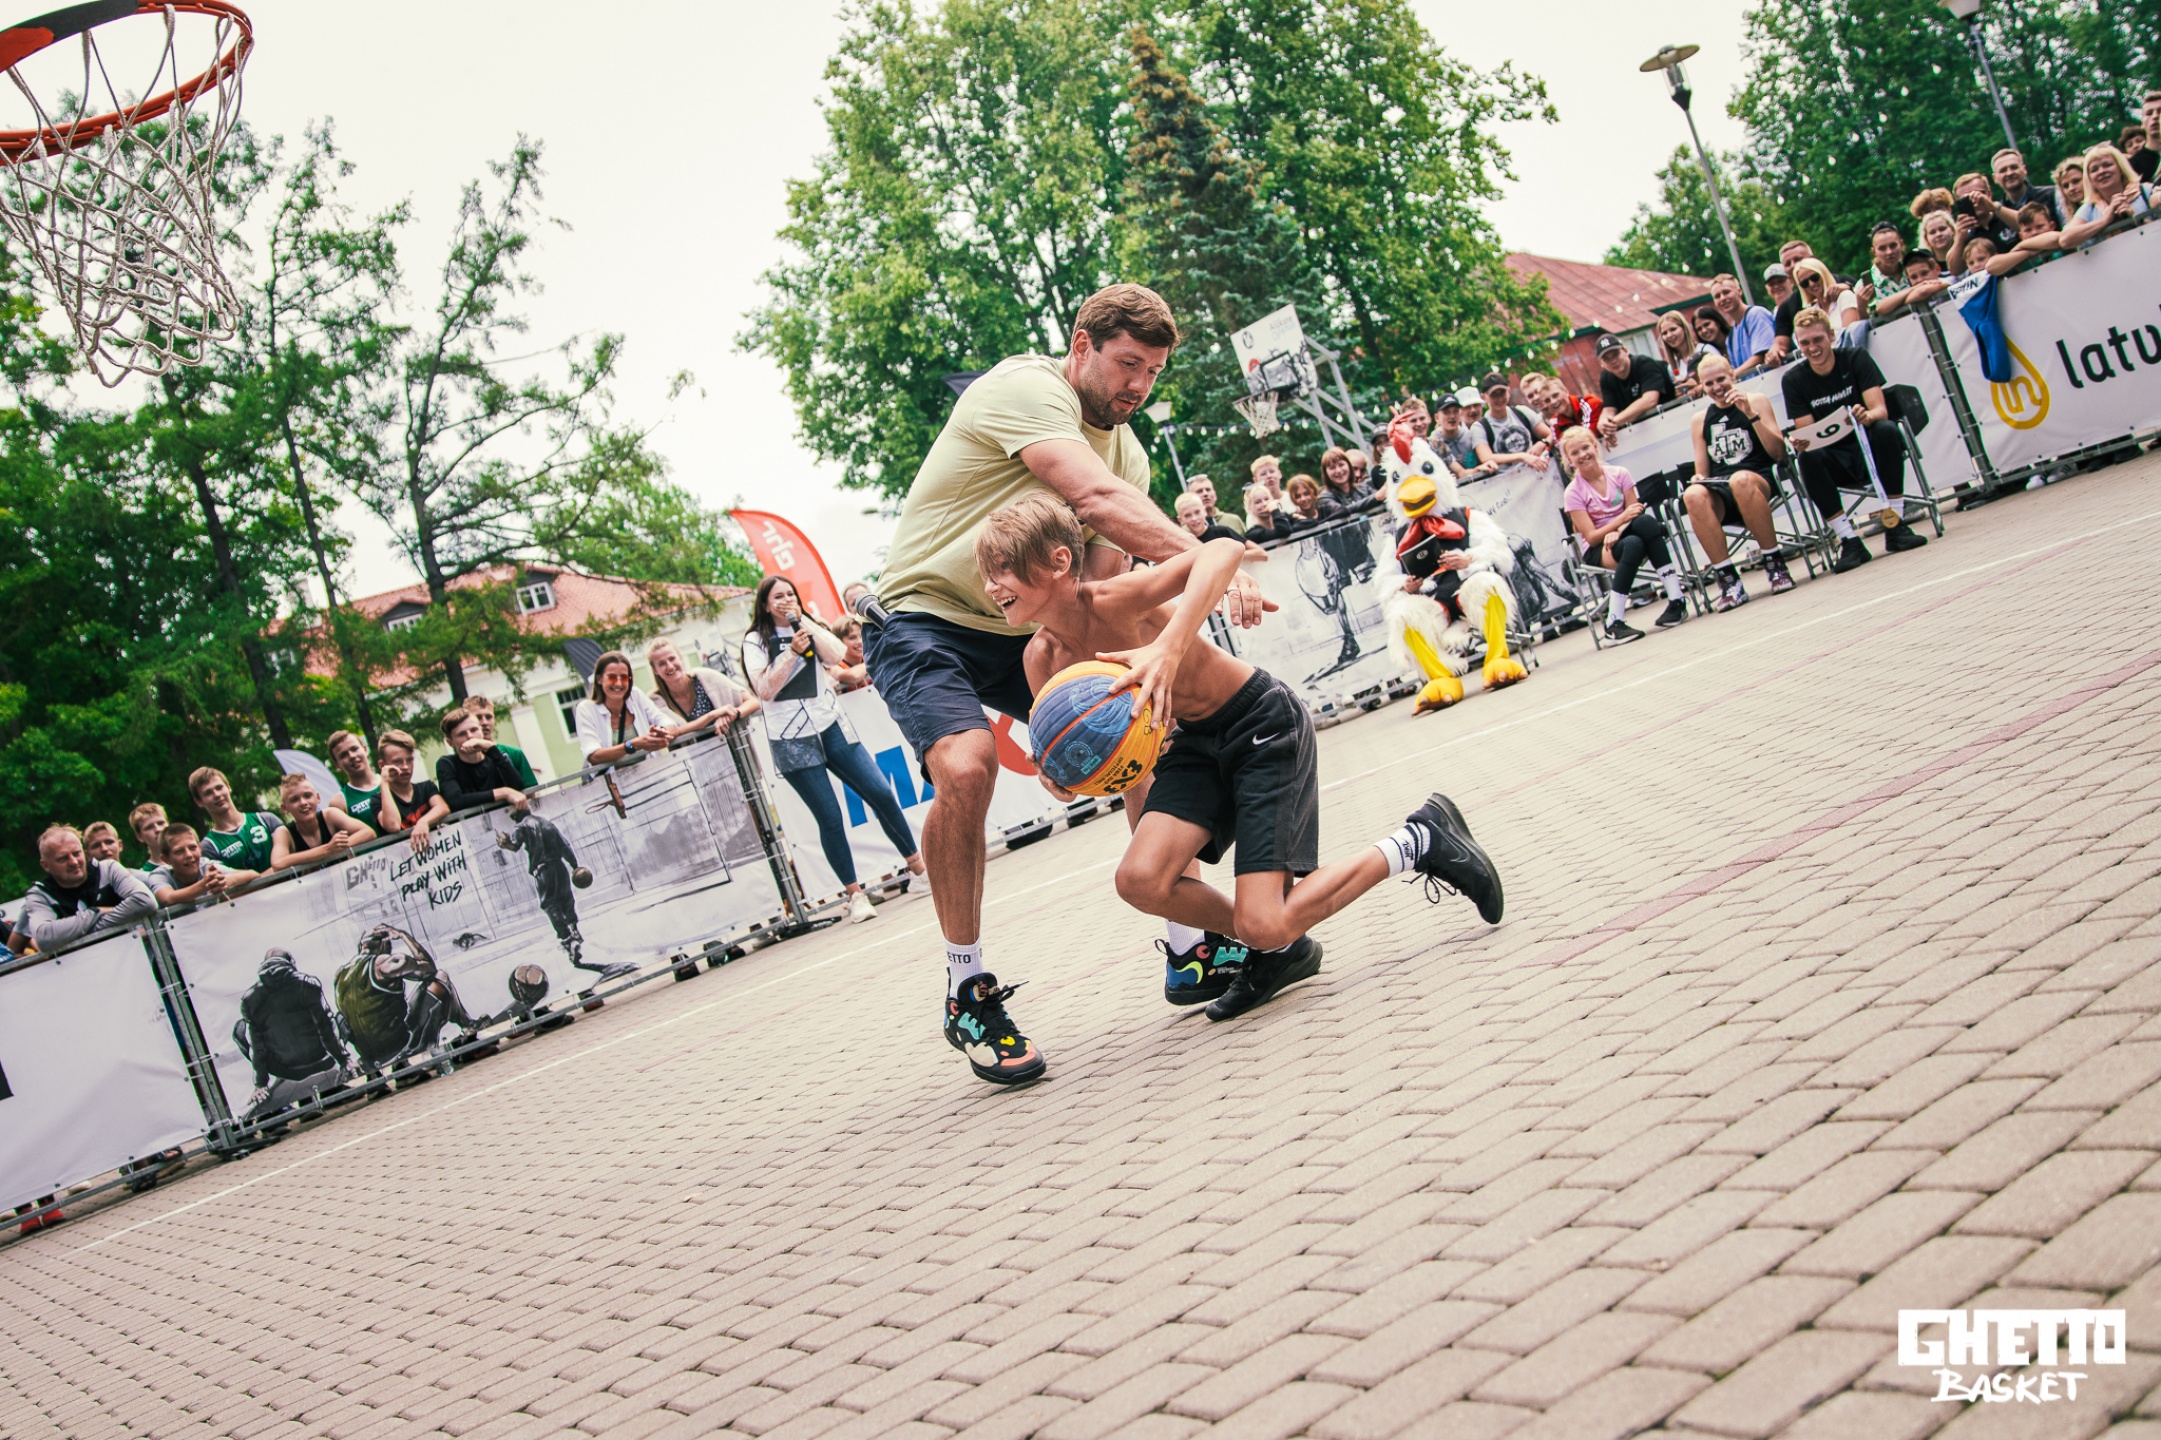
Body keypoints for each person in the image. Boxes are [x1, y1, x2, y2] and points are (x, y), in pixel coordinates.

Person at [856, 282, 1269, 1085]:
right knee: (967, 766)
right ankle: (966, 988)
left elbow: (1098, 595)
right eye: (1126, 364)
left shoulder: (1130, 449)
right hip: (924, 617)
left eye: (1152, 372)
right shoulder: (1024, 389)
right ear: (1081, 346)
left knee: (1136, 726)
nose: (1137, 385)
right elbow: (1093, 498)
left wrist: (1098, 704)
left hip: (1027, 626)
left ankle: (1190, 947)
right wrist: (1211, 564)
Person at [975, 494, 1502, 1032]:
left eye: (1003, 570)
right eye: (987, 574)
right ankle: (1274, 942)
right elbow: (1079, 753)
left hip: (1259, 723)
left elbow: (1222, 550)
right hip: (1194, 746)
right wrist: (1064, 778)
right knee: (1140, 880)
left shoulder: (1112, 598)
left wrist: (1169, 646)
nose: (992, 586)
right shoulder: (1040, 659)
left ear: (1059, 562)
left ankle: (1420, 840)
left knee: (1264, 920)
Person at [746, 575, 926, 922]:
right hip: (791, 737)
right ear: (765, 604)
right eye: (777, 596)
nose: (785, 599)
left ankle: (918, 870)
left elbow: (837, 655)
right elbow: (764, 688)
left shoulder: (806, 625)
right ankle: (855, 894)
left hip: (830, 723)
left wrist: (805, 623)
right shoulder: (755, 640)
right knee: (829, 816)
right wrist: (791, 653)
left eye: (790, 593)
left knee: (880, 792)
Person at [1783, 307, 1927, 572]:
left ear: (1831, 336)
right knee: (1806, 458)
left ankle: (1895, 523)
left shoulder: (1855, 357)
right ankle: (1848, 540)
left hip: (1868, 446)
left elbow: (1880, 410)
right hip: (1834, 458)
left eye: (1818, 339)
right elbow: (1808, 434)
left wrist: (1866, 416)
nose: (1812, 348)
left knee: (1886, 429)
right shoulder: (1793, 379)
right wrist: (1800, 441)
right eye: (1805, 343)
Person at [1684, 354, 1796, 611]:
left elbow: (1779, 453)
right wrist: (1698, 479)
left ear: (1732, 375)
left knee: (1740, 480)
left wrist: (1750, 414)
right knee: (1692, 495)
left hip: (1757, 481)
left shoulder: (1756, 400)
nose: (1717, 387)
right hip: (1722, 489)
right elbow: (1702, 471)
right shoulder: (1700, 419)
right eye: (1709, 384)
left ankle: (1775, 564)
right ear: (1702, 386)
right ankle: (1728, 580)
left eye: (1721, 379)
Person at [1560, 428, 1687, 643]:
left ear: (1595, 446)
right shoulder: (1572, 492)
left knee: (1646, 523)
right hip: (1598, 548)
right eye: (1575, 453)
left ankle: (1677, 600)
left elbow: (1635, 513)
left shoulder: (1620, 473)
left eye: (1585, 447)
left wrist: (1618, 531)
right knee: (1633, 544)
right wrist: (1618, 524)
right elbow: (1592, 537)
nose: (1582, 455)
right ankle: (1613, 623)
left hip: (1623, 533)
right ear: (1569, 461)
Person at [496, 808, 634, 981]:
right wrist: (575, 866)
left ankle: (568, 939)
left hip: (543, 871)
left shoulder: (521, 827)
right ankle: (574, 930)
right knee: (566, 899)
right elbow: (564, 846)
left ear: (517, 814)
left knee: (549, 905)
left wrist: (505, 843)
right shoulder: (547, 823)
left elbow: (515, 846)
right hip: (559, 867)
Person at [17, 824, 157, 950]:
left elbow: (145, 901)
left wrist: (89, 932)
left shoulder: (108, 869)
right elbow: (45, 937)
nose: (73, 862)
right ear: (45, 865)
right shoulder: (39, 894)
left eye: (76, 853)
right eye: (63, 858)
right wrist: (96, 912)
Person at [648, 637, 761, 738]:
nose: (669, 666)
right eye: (662, 663)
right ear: (654, 670)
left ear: (680, 658)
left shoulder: (705, 677)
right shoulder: (655, 700)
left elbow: (754, 702)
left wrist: (732, 714)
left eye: (672, 659)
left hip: (734, 747)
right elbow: (673, 732)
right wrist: (712, 715)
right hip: (693, 755)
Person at [574, 649, 671, 767]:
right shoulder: (586, 709)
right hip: (612, 778)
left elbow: (667, 722)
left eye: (624, 677)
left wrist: (661, 734)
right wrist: (633, 745)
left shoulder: (635, 695)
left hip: (651, 772)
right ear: (599, 679)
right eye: (612, 677)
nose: (618, 683)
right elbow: (594, 756)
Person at [434, 707, 532, 814]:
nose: (470, 736)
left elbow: (517, 786)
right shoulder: (447, 764)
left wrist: (492, 749)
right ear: (450, 742)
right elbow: (455, 800)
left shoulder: (495, 757)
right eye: (462, 734)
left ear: (481, 730)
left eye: (474, 730)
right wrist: (504, 792)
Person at [268, 774, 374, 871]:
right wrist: (327, 849)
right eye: (294, 800)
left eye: (307, 796)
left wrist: (338, 846)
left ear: (317, 798)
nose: (303, 803)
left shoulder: (330, 815)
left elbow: (368, 832)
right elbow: (277, 863)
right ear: (284, 808)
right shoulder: (284, 832)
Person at [191, 766, 283, 874]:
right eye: (208, 793)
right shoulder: (208, 848)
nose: (217, 795)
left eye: (219, 787)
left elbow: (286, 860)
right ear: (199, 802)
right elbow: (224, 882)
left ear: (228, 787)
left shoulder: (267, 820)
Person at [2061, 144, 2154, 248]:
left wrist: (2136, 219)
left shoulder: (2144, 191)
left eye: (2107, 165)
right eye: (2094, 169)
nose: (2101, 171)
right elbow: (2065, 240)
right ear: (2089, 178)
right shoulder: (2090, 208)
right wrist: (2105, 221)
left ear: (2120, 168)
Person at [374, 729, 450, 852]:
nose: (405, 767)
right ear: (382, 765)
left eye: (409, 760)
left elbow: (442, 807)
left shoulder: (426, 787)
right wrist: (384, 783)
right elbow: (393, 826)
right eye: (397, 762)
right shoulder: (378, 800)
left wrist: (423, 822)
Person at [1594, 333, 1676, 441]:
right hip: (1642, 432)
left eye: (1616, 354)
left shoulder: (1644, 363)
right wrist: (1603, 423)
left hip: (1671, 419)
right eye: (1606, 359)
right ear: (1601, 363)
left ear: (1626, 351)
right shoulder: (1606, 377)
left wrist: (1614, 422)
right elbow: (1609, 408)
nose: (1613, 361)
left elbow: (1650, 400)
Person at [147, 824, 243, 907]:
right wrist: (205, 885)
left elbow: (248, 874)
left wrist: (224, 880)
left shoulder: (207, 866)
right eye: (179, 851)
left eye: (192, 847)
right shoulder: (159, 875)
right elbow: (167, 898)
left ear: (200, 849)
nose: (188, 855)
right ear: (166, 859)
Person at [1469, 371, 1550, 469]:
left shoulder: (1522, 412)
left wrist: (1542, 443)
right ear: (1484, 397)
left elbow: (1551, 434)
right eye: (1494, 395)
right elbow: (1485, 457)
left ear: (1508, 391)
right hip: (1508, 476)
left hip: (1536, 470)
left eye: (1502, 393)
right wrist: (1522, 456)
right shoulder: (1480, 427)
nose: (1499, 398)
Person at [463, 696, 539, 789]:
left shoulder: (514, 753)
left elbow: (531, 792)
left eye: (488, 717)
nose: (485, 722)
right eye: (478, 717)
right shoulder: (461, 759)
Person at [1710, 275, 1777, 377]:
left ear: (1739, 291)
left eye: (1726, 292)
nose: (1722, 298)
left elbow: (1763, 355)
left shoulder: (1756, 315)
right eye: (1717, 296)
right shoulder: (1731, 338)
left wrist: (1733, 374)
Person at [1991, 148, 2063, 229]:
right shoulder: (1996, 215)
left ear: (2024, 170)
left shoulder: (2053, 195)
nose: (2009, 173)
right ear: (1995, 178)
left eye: (2014, 167)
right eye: (2003, 170)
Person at [1791, 259, 1862, 340]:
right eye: (1805, 283)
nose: (1811, 284)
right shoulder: (1810, 312)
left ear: (1823, 274)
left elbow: (1850, 336)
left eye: (1814, 278)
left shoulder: (1845, 297)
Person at [323, 730, 383, 820]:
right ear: (337, 764)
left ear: (365, 749)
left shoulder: (392, 781)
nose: (352, 756)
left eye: (354, 749)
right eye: (344, 755)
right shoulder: (339, 802)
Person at [1655, 313, 1718, 398]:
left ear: (1684, 329)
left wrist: (1700, 387)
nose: (1669, 335)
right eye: (1664, 333)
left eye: (1673, 329)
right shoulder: (1672, 367)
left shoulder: (1705, 350)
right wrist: (1680, 394)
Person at [1432, 389, 1489, 479]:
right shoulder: (1435, 443)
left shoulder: (1471, 434)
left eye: (1455, 411)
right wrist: (1478, 469)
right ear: (1437, 417)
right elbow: (1460, 473)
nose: (1452, 416)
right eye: (1446, 412)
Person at [1175, 490, 1242, 543]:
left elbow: (1248, 548)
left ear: (1204, 511)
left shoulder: (1222, 532)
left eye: (1197, 512)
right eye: (1187, 515)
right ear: (1180, 520)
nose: (1194, 518)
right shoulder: (1184, 543)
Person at [1919, 207, 1964, 276]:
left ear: (1952, 230)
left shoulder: (1966, 253)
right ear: (1926, 238)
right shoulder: (1924, 266)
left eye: (1942, 229)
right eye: (1932, 232)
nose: (1938, 234)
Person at [126, 801, 168, 871]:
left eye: (161, 823)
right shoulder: (143, 874)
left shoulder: (187, 858)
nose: (158, 829)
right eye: (149, 827)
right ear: (140, 837)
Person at [2135, 91, 2161, 184]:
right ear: (2142, 123)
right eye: (2149, 113)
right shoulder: (2132, 166)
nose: (2155, 116)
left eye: (2160, 111)